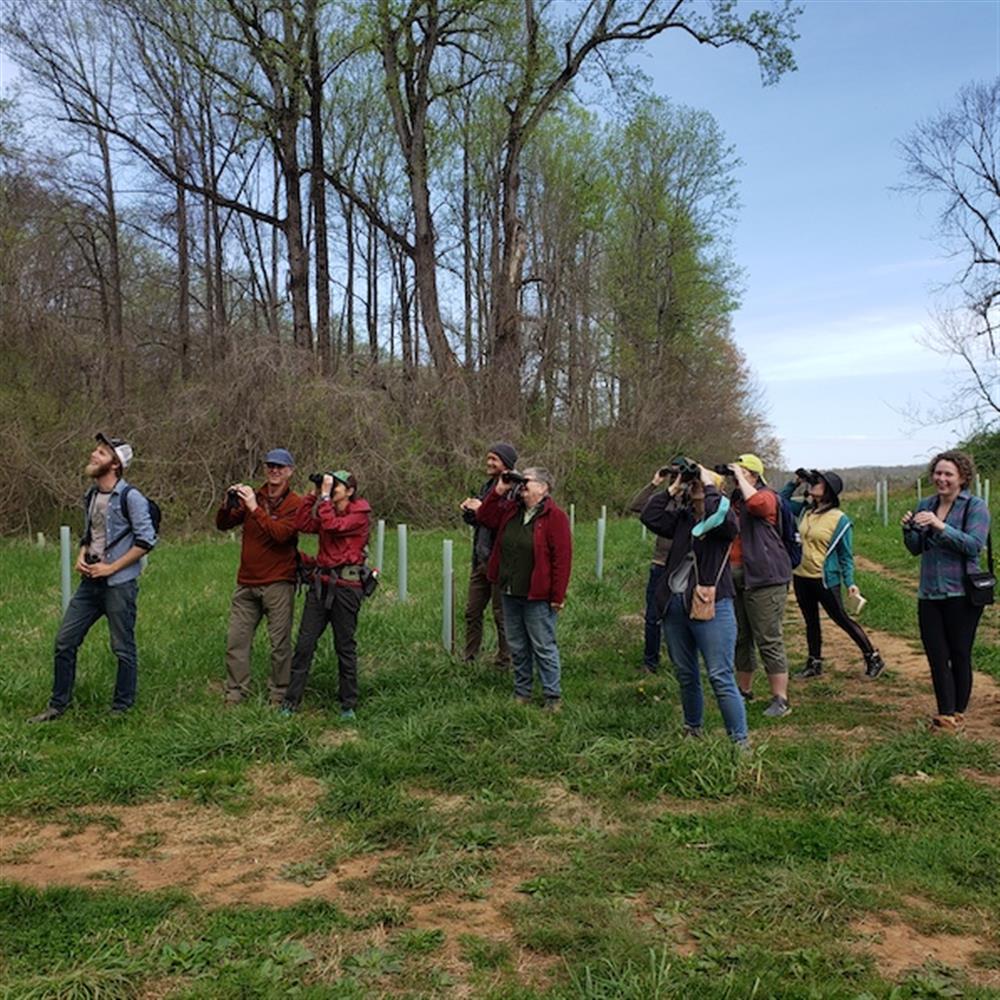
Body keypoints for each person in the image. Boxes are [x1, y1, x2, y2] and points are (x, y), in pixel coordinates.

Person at [29, 434, 157, 722]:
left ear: (115, 464)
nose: (93, 455)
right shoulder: (92, 495)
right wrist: (81, 555)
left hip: (119, 585)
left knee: (122, 648)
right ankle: (57, 705)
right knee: (65, 641)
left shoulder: (131, 497)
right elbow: (91, 534)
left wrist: (112, 568)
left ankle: (121, 708)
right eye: (96, 451)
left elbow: (147, 540)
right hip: (90, 584)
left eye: (100, 453)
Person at [641, 461, 749, 748]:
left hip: (711, 606)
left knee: (720, 675)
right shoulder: (682, 518)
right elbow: (650, 517)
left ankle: (739, 742)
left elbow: (721, 518)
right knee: (686, 674)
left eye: (699, 486)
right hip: (675, 606)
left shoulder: (723, 519)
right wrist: (673, 487)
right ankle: (693, 728)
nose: (696, 490)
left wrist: (710, 484)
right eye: (695, 486)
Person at [468, 467, 572, 712]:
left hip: (537, 594)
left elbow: (562, 559)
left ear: (544, 487)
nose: (522, 485)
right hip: (510, 589)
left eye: (527, 481)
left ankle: (552, 696)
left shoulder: (554, 516)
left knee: (543, 645)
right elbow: (485, 517)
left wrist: (557, 596)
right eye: (520, 480)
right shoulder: (511, 509)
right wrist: (500, 488)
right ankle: (522, 691)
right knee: (517, 644)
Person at [903, 450, 991, 731]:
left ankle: (957, 712)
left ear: (962, 478)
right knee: (936, 655)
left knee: (959, 653)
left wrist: (940, 526)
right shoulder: (925, 503)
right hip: (929, 592)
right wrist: (909, 530)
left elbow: (973, 545)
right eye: (938, 473)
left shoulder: (975, 506)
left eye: (948, 474)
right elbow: (917, 549)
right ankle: (945, 713)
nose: (941, 479)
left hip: (962, 593)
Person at [281, 470, 371, 719]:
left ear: (350, 491)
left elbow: (333, 525)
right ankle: (291, 701)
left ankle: (348, 703)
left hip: (347, 587)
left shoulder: (359, 514)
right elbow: (302, 523)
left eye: (336, 486)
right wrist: (312, 496)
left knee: (344, 646)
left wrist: (324, 498)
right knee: (304, 644)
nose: (331, 490)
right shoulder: (327, 508)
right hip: (320, 585)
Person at [781, 470, 885, 680]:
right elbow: (780, 501)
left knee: (841, 619)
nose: (813, 484)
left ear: (828, 490)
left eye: (817, 482)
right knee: (810, 621)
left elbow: (846, 556)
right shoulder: (805, 511)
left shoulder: (840, 519)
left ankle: (872, 657)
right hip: (801, 576)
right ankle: (814, 663)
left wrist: (850, 583)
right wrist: (795, 483)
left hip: (824, 579)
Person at [215, 448, 300, 705]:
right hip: (247, 582)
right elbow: (224, 524)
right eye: (270, 466)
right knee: (236, 641)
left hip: (278, 582)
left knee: (280, 644)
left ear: (290, 472)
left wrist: (254, 507)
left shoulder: (295, 503)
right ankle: (236, 692)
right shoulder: (256, 495)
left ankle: (279, 693)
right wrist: (228, 503)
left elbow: (281, 535)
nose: (274, 470)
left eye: (280, 467)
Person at [728, 454, 793, 719]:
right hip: (737, 577)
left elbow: (755, 504)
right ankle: (744, 690)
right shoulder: (734, 499)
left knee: (768, 638)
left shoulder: (767, 496)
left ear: (753, 475)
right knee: (741, 637)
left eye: (741, 473)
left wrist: (743, 480)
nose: (736, 478)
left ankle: (781, 698)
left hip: (766, 578)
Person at [459, 443, 518, 667]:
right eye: (489, 458)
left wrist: (481, 506)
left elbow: (501, 520)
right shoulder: (487, 486)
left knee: (501, 614)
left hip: (500, 561)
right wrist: (469, 510)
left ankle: (506, 660)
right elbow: (480, 520)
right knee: (472, 612)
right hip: (480, 559)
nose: (489, 462)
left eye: (494, 459)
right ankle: (470, 658)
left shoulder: (513, 488)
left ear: (506, 463)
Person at [628, 465, 678, 673]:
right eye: (673, 477)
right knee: (653, 616)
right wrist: (655, 483)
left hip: (683, 568)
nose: (677, 480)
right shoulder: (663, 501)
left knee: (680, 618)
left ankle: (681, 662)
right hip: (660, 564)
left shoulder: (696, 501)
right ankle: (650, 662)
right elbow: (637, 505)